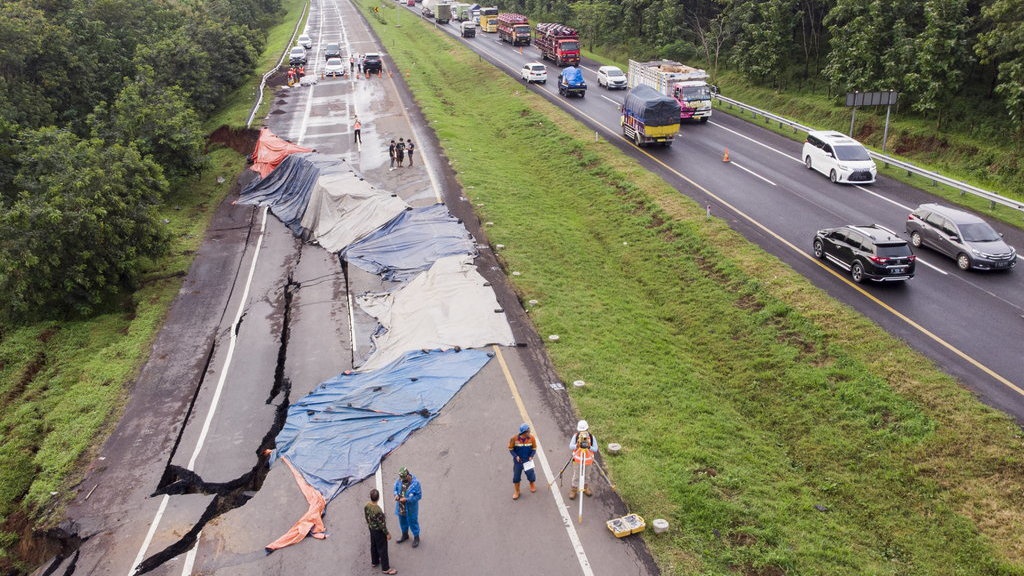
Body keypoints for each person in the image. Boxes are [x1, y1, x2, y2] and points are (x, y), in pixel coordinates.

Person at [364, 489, 397, 574]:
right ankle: (386, 568)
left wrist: (369, 524)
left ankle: (374, 561)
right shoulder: (378, 510)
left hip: (371, 528)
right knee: (383, 548)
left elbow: (366, 516)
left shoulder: (367, 505)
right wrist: (387, 533)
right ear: (378, 498)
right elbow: (382, 524)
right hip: (378, 531)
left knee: (373, 545)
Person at [568, 420, 598, 500]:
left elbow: (595, 449)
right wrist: (576, 446)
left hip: (588, 461)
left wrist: (589, 447)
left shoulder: (591, 437)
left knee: (587, 476)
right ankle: (574, 489)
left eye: (584, 430)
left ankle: (585, 488)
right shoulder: (576, 436)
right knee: (576, 475)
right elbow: (570, 446)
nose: (583, 433)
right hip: (577, 460)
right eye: (581, 431)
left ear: (587, 429)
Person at [393, 467, 422, 548]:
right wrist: (396, 495)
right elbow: (395, 488)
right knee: (402, 521)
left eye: (402, 478)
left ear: (407, 475)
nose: (400, 480)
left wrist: (407, 499)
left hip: (411, 508)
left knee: (413, 522)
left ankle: (416, 537)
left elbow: (419, 496)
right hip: (401, 506)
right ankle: (405, 535)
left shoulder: (416, 483)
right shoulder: (399, 480)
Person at [508, 423, 537, 500]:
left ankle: (532, 484)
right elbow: (511, 449)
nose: (529, 432)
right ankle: (517, 491)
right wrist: (516, 456)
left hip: (528, 461)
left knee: (530, 474)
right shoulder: (514, 439)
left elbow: (534, 448)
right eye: (528, 431)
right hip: (518, 462)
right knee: (516, 477)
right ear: (524, 432)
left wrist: (531, 456)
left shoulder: (532, 438)